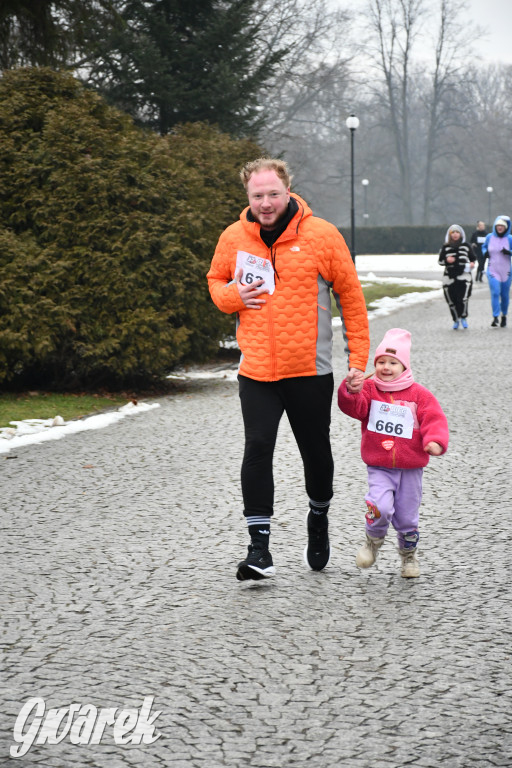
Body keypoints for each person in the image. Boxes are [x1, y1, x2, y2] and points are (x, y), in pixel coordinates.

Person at [207, 157, 370, 581]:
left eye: (273, 194)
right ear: (247, 195)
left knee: (315, 454)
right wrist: (235, 295)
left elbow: (351, 297)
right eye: (257, 196)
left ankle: (318, 518)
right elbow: (216, 284)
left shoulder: (322, 235)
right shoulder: (233, 237)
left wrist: (358, 361)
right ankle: (258, 549)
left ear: (288, 190)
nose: (265, 203)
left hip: (309, 371)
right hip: (257, 370)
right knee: (257, 448)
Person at [337, 328, 449, 578]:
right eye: (381, 362)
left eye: (393, 362)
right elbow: (355, 409)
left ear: (404, 366)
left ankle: (409, 557)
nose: (386, 367)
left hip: (411, 468)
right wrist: (350, 391)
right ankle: (372, 543)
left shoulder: (419, 394)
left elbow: (434, 418)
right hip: (379, 465)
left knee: (407, 518)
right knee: (379, 507)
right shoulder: (368, 388)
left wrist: (435, 441)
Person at [438, 224, 474, 329]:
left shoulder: (466, 246)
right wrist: (446, 260)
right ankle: (455, 319)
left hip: (464, 276)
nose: (455, 234)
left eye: (457, 232)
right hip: (449, 277)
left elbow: (473, 258)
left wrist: (472, 263)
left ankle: (463, 317)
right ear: (449, 235)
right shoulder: (445, 247)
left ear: (461, 234)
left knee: (462, 299)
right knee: (451, 300)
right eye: (452, 232)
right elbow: (440, 261)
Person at [482, 215, 512, 327]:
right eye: (498, 225)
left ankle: (504, 316)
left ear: (506, 228)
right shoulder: (489, 237)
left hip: (506, 271)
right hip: (492, 269)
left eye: (502, 226)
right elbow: (484, 247)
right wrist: (485, 252)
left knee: (504, 295)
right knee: (495, 292)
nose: (499, 228)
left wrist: (509, 252)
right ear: (495, 226)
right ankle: (495, 317)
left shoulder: (510, 238)